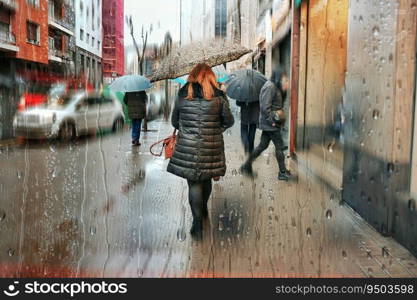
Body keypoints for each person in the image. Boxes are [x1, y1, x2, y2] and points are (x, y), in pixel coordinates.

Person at [167, 63, 234, 241]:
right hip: (211, 147)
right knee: (206, 178)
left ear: (192, 76)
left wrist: (187, 129)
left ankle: (197, 223)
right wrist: (216, 130)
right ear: (211, 76)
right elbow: (229, 121)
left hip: (188, 148)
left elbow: (174, 121)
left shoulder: (182, 94)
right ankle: (203, 210)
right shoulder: (219, 96)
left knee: (194, 183)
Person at [240, 68, 291, 181]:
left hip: (271, 123)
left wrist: (284, 90)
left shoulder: (275, 86)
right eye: (284, 78)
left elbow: (277, 103)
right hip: (271, 124)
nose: (285, 80)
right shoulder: (270, 87)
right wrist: (272, 121)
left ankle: (246, 166)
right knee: (279, 146)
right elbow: (264, 107)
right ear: (278, 76)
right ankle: (282, 173)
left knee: (262, 146)